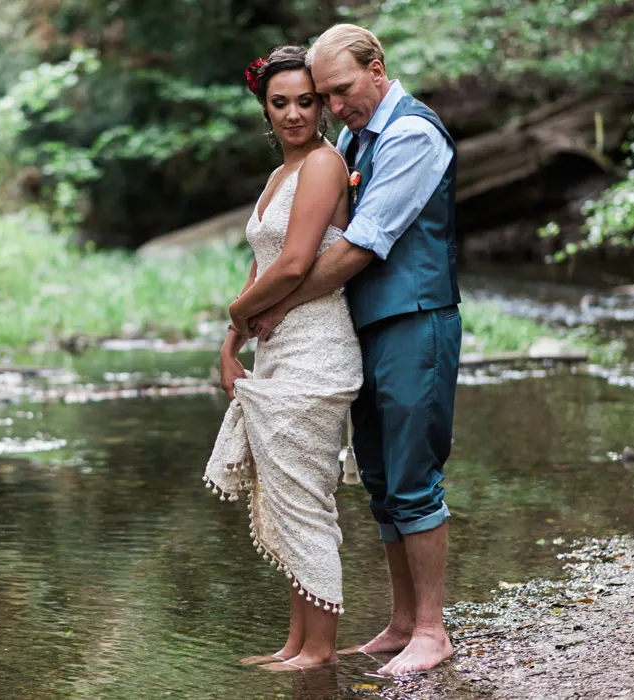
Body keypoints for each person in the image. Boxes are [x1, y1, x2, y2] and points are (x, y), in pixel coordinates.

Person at [247, 23, 462, 676]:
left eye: (341, 91)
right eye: (326, 96)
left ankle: (431, 630)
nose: (335, 107)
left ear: (378, 68)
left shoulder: (412, 135)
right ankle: (400, 623)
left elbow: (360, 247)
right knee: (377, 476)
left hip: (415, 320)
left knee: (414, 475)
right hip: (366, 327)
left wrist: (271, 304)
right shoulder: (354, 137)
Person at [201, 44, 361, 673]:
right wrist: (230, 346)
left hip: (316, 348)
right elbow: (264, 262)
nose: (294, 114)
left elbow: (297, 265)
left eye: (306, 101)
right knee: (283, 498)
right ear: (264, 109)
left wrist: (237, 317)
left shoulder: (323, 165)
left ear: (322, 103)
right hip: (278, 348)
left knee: (303, 503)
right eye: (280, 103)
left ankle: (319, 652)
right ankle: (297, 643)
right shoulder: (281, 174)